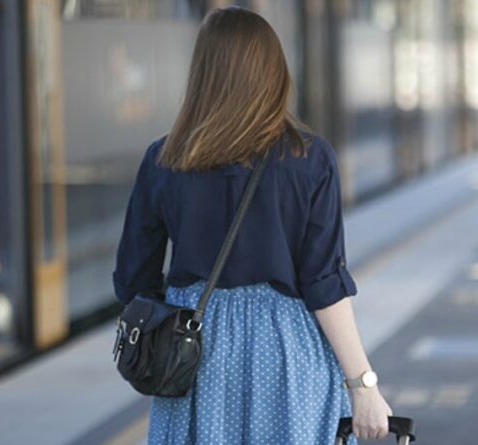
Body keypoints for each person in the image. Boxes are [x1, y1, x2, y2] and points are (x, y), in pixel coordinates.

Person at [112, 7, 392, 444]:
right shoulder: (309, 157)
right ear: (274, 73)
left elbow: (134, 280)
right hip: (286, 354)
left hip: (192, 353)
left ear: (202, 74)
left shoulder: (163, 159)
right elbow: (323, 283)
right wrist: (363, 385)